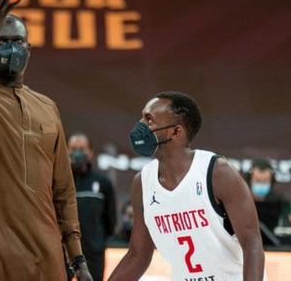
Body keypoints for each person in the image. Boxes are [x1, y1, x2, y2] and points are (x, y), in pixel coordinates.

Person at [0, 0, 92, 281]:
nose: (11, 49)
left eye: (18, 42)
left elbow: (63, 189)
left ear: (29, 48)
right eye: (3, 41)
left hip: (45, 258)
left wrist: (77, 257)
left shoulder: (47, 107)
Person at [109, 91, 265, 281]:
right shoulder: (142, 183)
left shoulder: (217, 172)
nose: (140, 126)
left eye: (149, 120)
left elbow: (253, 245)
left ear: (176, 132)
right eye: (141, 118)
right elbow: (137, 257)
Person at [67, 133, 116, 281]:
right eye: (73, 148)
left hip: (93, 253)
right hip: (63, 252)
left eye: (82, 148)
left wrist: (97, 242)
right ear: (66, 150)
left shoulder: (103, 183)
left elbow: (110, 221)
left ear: (91, 152)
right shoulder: (59, 182)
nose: (77, 152)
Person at [245, 158, 289, 246]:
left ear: (271, 182)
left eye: (265, 182)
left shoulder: (280, 202)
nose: (261, 185)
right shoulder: (240, 202)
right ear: (250, 180)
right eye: (258, 181)